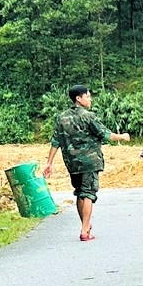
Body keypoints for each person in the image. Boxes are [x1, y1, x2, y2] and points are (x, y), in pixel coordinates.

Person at [43, 85, 131, 240]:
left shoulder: (61, 118)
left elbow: (55, 141)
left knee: (79, 193)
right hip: (90, 162)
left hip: (72, 163)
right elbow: (105, 135)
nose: (90, 99)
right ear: (78, 98)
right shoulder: (88, 116)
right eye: (88, 96)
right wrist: (122, 137)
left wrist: (49, 163)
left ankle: (85, 224)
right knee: (88, 193)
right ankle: (85, 231)